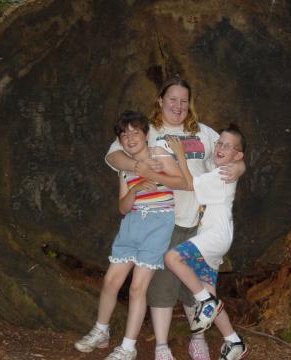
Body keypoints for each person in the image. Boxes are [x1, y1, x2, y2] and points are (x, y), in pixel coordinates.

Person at [105, 76, 245, 360]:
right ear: (160, 101)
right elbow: (113, 155)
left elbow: (231, 151)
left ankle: (198, 338)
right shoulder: (148, 131)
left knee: (200, 285)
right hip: (162, 220)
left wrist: (240, 167)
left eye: (184, 100)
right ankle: (161, 345)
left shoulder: (203, 132)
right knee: (162, 286)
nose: (178, 106)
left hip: (200, 222)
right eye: (172, 99)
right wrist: (138, 166)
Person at [74, 111, 186, 360]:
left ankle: (128, 347)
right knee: (111, 281)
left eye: (136, 132)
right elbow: (122, 208)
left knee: (137, 288)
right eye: (124, 134)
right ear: (120, 140)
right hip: (132, 223)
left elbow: (180, 181)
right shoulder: (123, 166)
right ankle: (100, 331)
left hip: (158, 223)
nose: (130, 137)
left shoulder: (158, 154)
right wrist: (135, 189)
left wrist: (153, 176)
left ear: (147, 135)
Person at [164, 124, 249, 360]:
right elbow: (229, 162)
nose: (220, 147)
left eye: (228, 146)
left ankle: (205, 302)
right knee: (209, 293)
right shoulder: (219, 167)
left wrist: (179, 153)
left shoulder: (221, 174)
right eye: (219, 143)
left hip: (215, 236)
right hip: (212, 239)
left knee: (172, 257)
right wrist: (241, 165)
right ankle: (233, 342)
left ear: (237, 154)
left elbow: (191, 184)